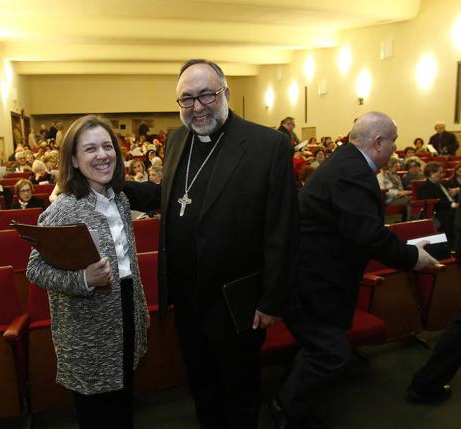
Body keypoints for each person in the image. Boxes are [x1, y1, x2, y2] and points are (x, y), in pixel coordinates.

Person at [124, 59, 298, 429]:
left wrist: (272, 300)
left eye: (206, 94)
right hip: (187, 297)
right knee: (201, 385)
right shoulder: (175, 140)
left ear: (226, 94)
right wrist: (112, 185)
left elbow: (282, 229)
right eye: (186, 98)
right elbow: (173, 196)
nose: (197, 106)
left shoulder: (268, 145)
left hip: (238, 299)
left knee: (239, 391)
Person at [273, 112, 439, 429]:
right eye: (393, 141)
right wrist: (412, 257)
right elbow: (369, 235)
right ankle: (289, 411)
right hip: (314, 281)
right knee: (331, 354)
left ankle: (289, 405)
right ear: (378, 142)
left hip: (318, 278)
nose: (395, 147)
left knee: (321, 348)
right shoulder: (353, 172)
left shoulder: (346, 163)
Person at [26, 115, 148, 429]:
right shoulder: (64, 208)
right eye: (90, 149)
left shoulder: (119, 199)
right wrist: (83, 279)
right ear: (75, 160)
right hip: (87, 330)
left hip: (125, 314)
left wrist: (141, 307)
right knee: (97, 416)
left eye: (107, 146)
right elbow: (35, 269)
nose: (102, 155)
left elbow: (128, 261)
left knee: (123, 407)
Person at [418, 162, 459, 250]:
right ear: (432, 173)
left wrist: (454, 191)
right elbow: (433, 203)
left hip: (451, 208)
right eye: (439, 172)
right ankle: (454, 247)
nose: (442, 174)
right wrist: (452, 204)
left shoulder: (442, 183)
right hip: (440, 212)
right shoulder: (425, 187)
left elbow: (449, 194)